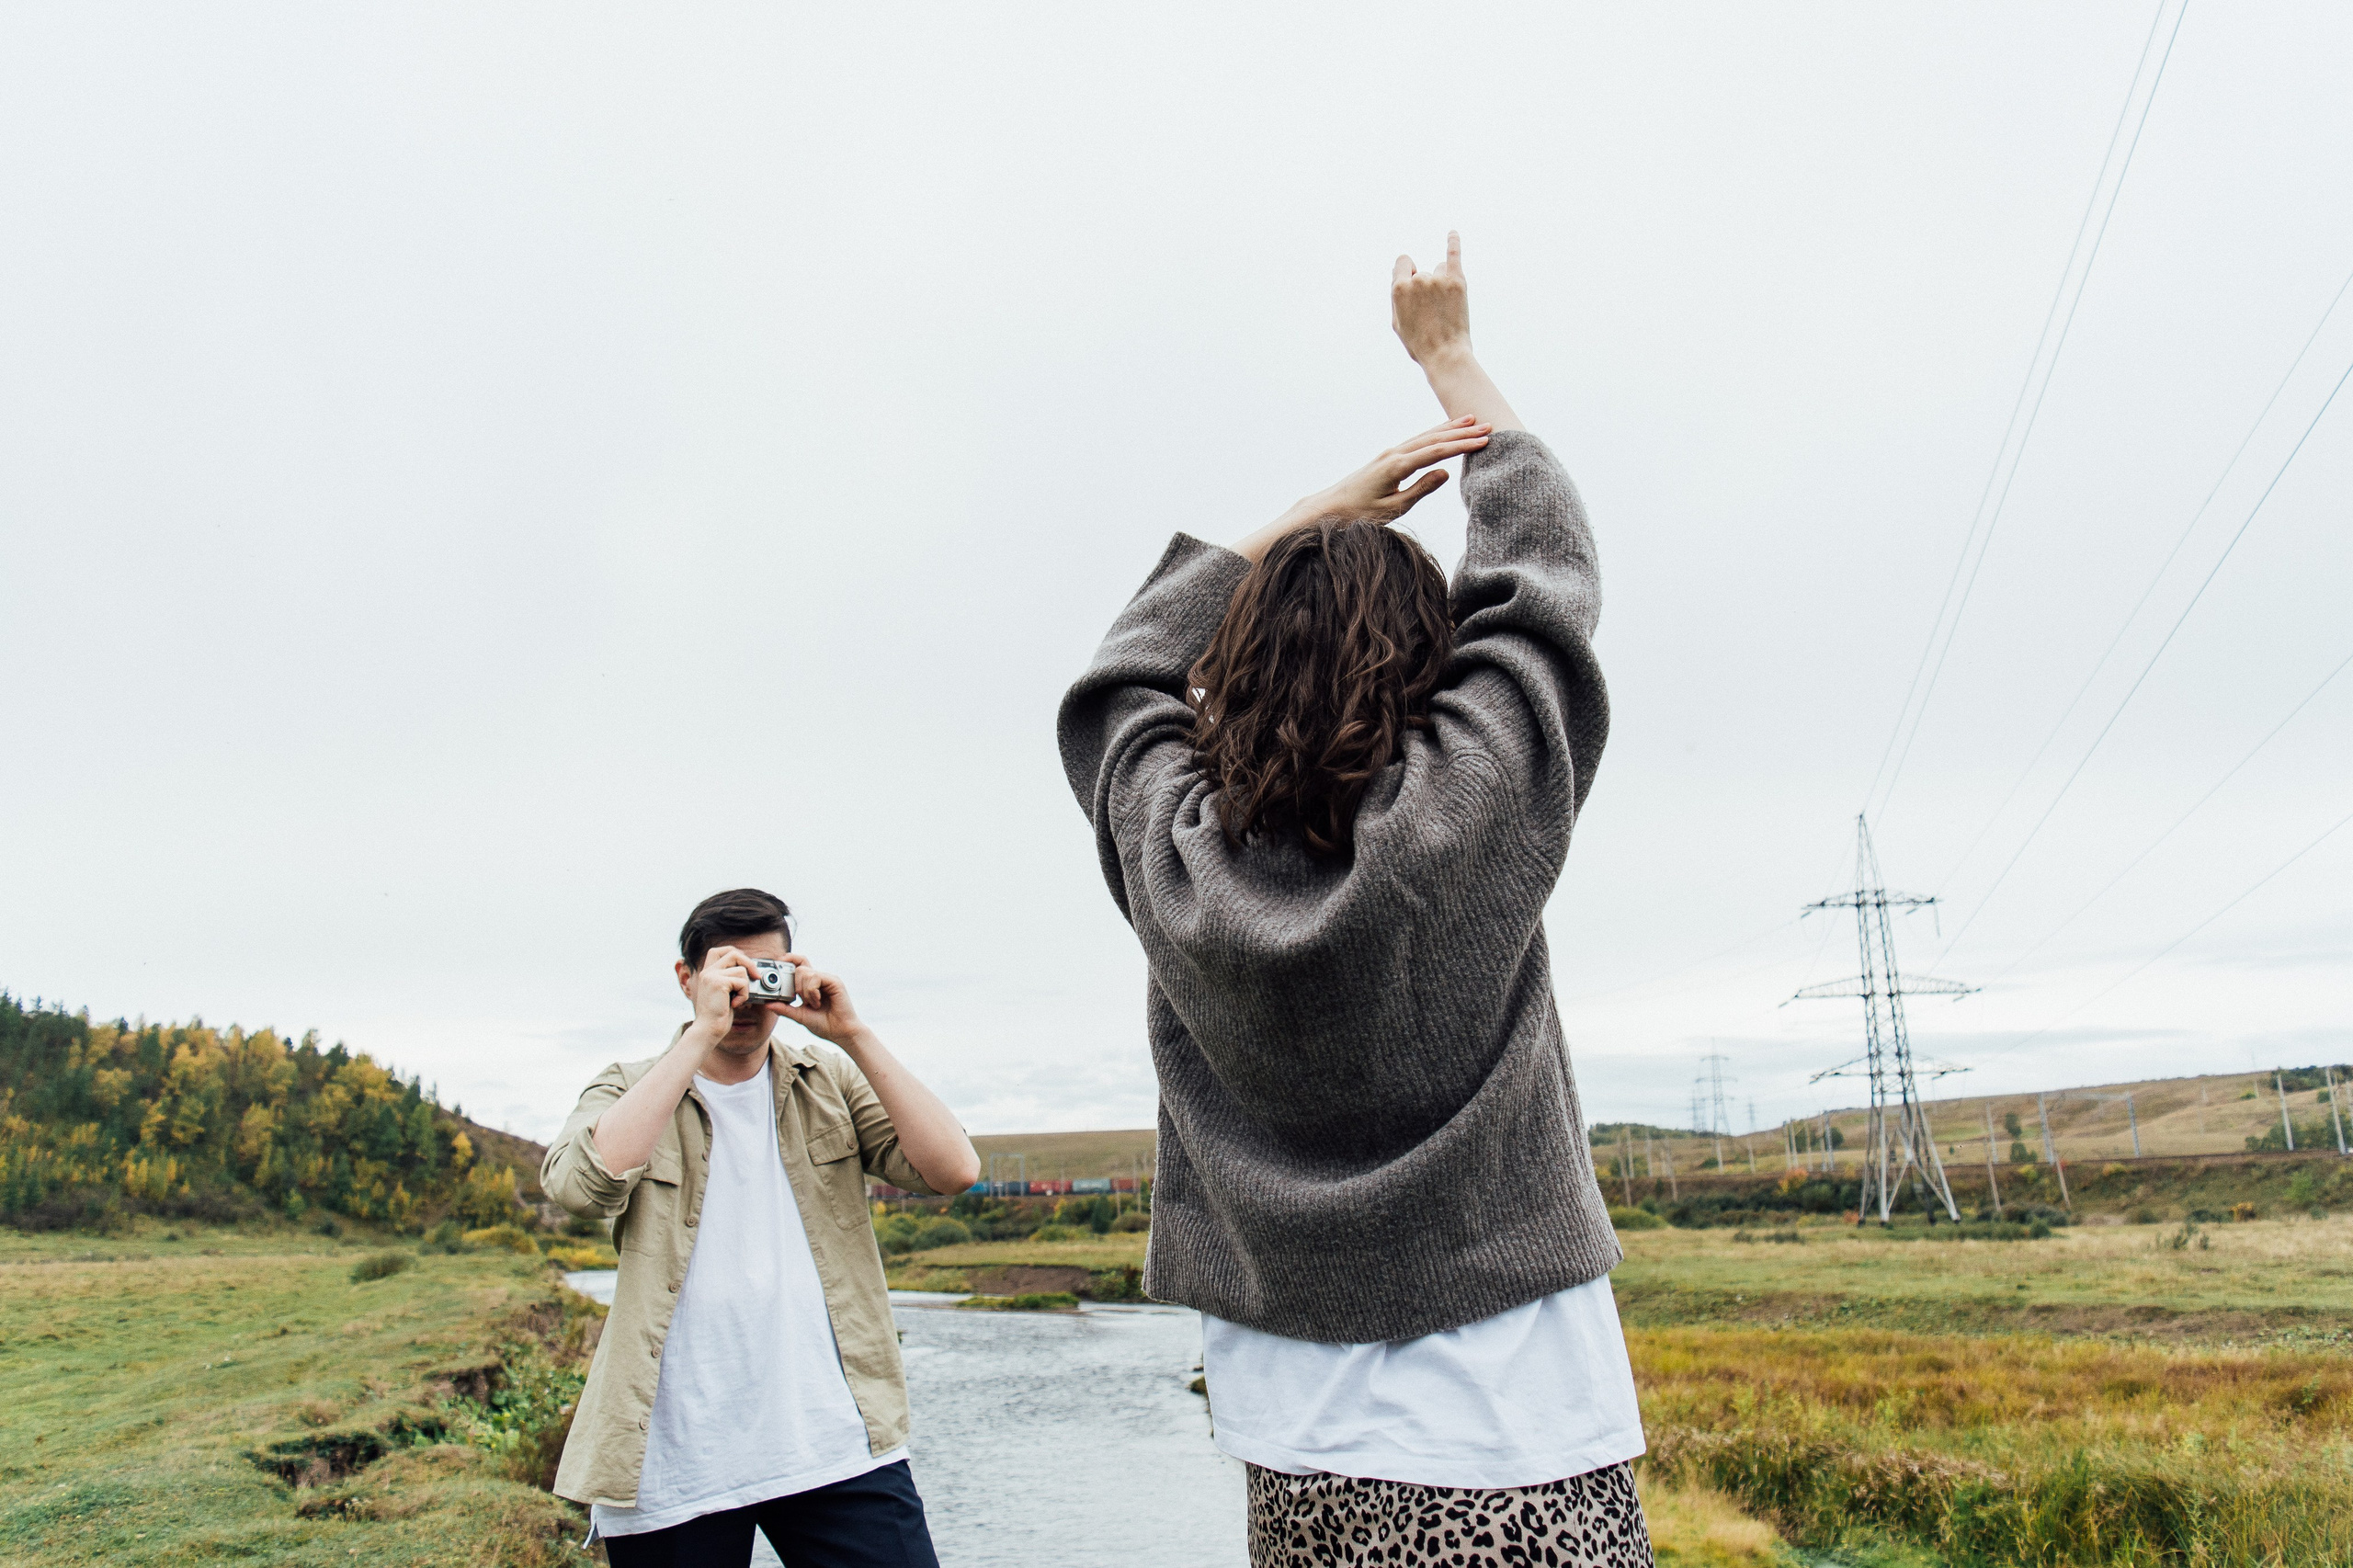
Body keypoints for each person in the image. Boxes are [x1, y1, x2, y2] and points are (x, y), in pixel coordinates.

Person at [1056, 234, 1652, 1567]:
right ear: (1433, 670)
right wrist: (1448, 360)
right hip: (1519, 1438)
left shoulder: (1176, 860)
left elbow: (1120, 676)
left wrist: (1310, 522)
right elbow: (1545, 571)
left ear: (1236, 667)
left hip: (1293, 1453)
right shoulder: (1470, 809)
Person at [541, 887, 982, 1567]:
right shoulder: (630, 1085)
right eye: (732, 974)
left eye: (765, 975)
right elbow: (579, 1185)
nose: (749, 999)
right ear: (687, 979)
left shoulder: (828, 1078)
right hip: (674, 1463)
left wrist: (853, 1033)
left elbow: (954, 1170)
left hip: (835, 1443)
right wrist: (699, 1037)